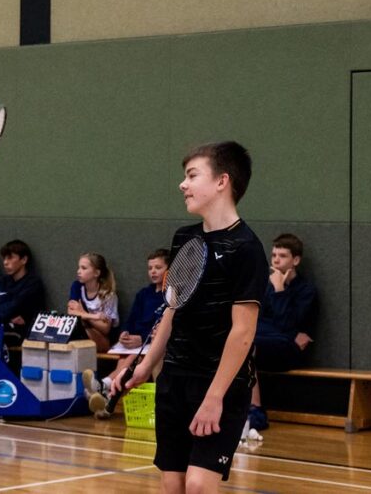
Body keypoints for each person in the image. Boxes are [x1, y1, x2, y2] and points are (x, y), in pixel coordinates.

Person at [113, 141, 269, 494]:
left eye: (192, 175)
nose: (182, 184)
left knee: (198, 485)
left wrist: (214, 398)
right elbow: (173, 308)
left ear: (222, 181)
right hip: (175, 379)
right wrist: (144, 365)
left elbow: (243, 333)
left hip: (220, 384)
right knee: (174, 485)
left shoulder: (247, 249)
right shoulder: (185, 238)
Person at [247, 233, 319, 431]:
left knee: (248, 346)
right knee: (240, 344)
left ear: (295, 260)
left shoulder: (306, 291)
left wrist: (280, 290)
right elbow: (259, 321)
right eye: (274, 255)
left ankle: (256, 411)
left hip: (289, 352)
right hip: (269, 342)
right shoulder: (265, 286)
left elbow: (287, 324)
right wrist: (291, 333)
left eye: (282, 256)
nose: (276, 260)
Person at [84, 248, 168, 418]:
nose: (153, 271)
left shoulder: (170, 296)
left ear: (169, 270)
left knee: (132, 360)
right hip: (133, 345)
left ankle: (104, 387)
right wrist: (125, 333)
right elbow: (131, 319)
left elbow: (161, 325)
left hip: (151, 344)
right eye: (150, 268)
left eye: (158, 268)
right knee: (124, 361)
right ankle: (107, 397)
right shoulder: (143, 294)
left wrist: (142, 339)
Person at [0, 239, 46, 347]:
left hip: (23, 331)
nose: (5, 262)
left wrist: (0, 313)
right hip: (1, 325)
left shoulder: (33, 283)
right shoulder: (2, 281)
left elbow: (13, 307)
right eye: (4, 258)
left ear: (24, 260)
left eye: (10, 258)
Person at [67, 252, 120, 353]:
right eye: (79, 267)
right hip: (82, 331)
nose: (78, 271)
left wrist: (82, 314)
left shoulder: (108, 295)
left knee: (83, 334)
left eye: (84, 268)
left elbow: (106, 329)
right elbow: (71, 312)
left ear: (96, 273)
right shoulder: (77, 286)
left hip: (104, 340)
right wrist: (94, 317)